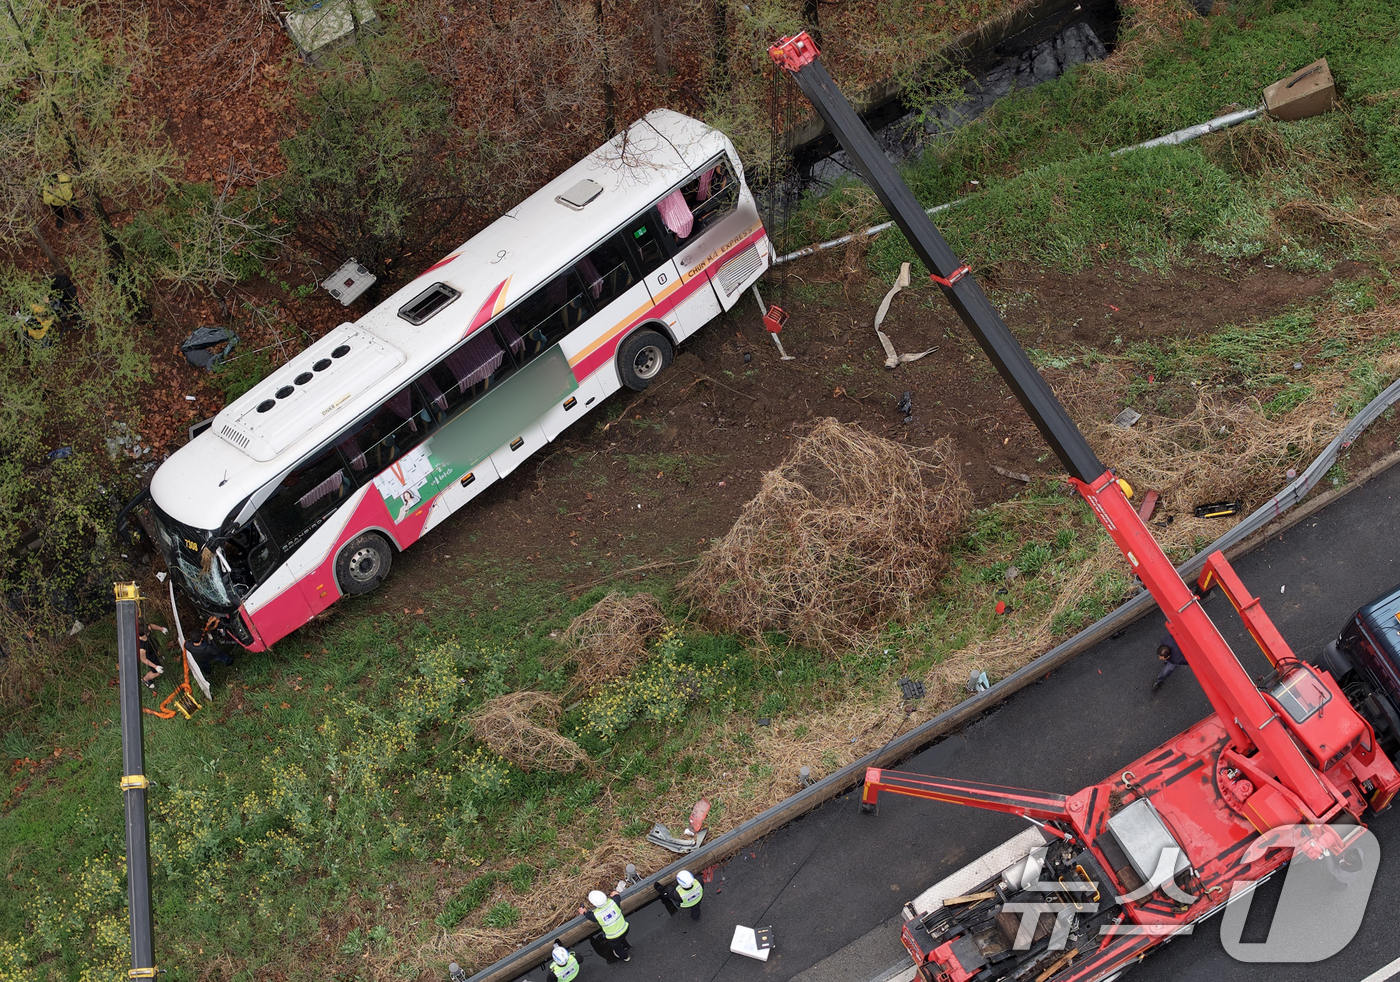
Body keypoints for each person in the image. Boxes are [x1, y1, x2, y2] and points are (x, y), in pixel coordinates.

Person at [578, 888, 630, 962]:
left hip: (613, 937)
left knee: (617, 948)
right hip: (625, 929)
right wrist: (614, 893)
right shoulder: (614, 902)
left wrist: (584, 912)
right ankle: (626, 945)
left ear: (593, 904)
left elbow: (588, 915)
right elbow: (617, 896)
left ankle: (625, 957)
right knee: (622, 938)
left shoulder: (596, 915)